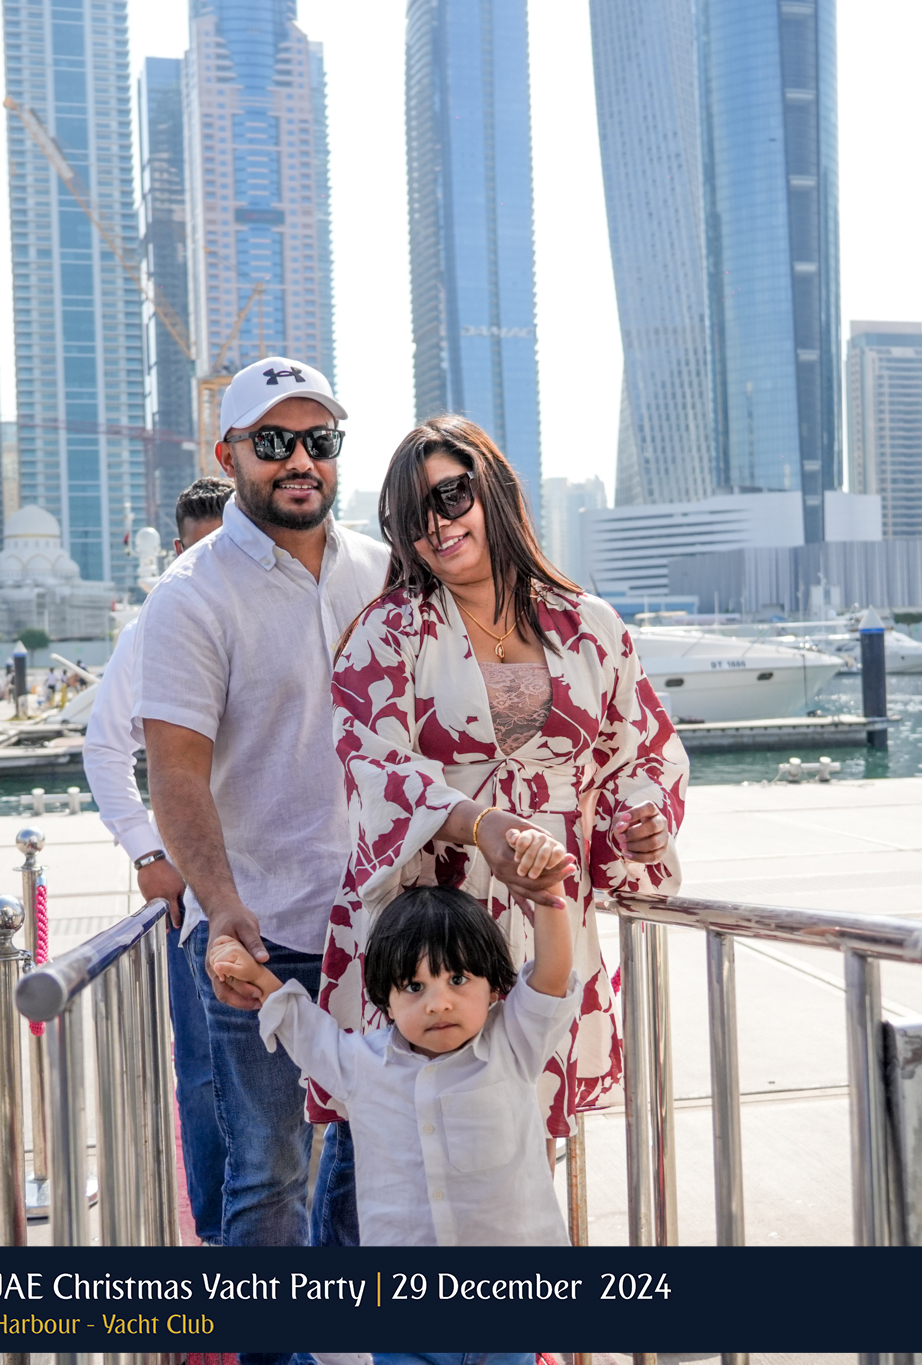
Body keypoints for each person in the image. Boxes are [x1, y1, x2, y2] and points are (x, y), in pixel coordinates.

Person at [323, 414, 687, 1152]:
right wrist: (480, 824)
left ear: (493, 489)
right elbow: (373, 763)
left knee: (527, 1146)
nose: (437, 523)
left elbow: (638, 755)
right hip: (433, 924)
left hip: (552, 912)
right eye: (413, 513)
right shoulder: (389, 631)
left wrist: (640, 820)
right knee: (419, 1146)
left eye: (452, 495)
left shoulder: (590, 626)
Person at [137, 356, 390, 1251]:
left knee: (371, 1150)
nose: (300, 461)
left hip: (382, 922)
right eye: (274, 441)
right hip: (264, 930)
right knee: (269, 1171)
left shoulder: (385, 571)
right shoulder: (190, 596)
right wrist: (220, 909)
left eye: (319, 441)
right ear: (229, 454)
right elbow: (174, 774)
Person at [210, 872, 575, 1248]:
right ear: (386, 1001)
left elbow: (552, 977)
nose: (438, 1004)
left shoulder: (514, 1044)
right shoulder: (360, 1065)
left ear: (493, 986)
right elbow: (301, 1024)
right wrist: (255, 976)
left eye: (458, 980)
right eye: (415, 987)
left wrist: (549, 893)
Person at [83, 475, 235, 1246]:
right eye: (201, 548)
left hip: (293, 884)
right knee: (204, 1066)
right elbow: (104, 750)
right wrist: (148, 854)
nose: (217, 562)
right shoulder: (149, 631)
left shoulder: (286, 607)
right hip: (198, 895)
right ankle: (213, 1227)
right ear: (176, 550)